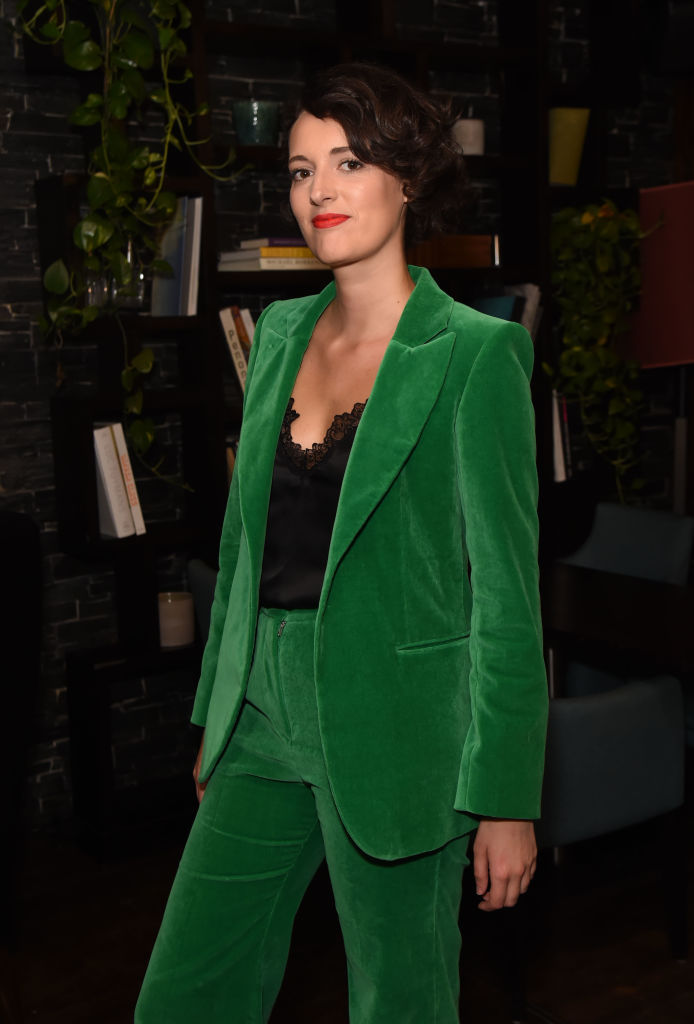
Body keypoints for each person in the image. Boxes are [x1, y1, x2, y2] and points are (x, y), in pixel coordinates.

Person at [135, 62, 548, 1024]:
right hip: (260, 711)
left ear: (408, 177)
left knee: (401, 1002)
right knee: (185, 993)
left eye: (349, 162)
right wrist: (215, 717)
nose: (318, 189)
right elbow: (243, 550)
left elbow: (507, 599)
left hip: (400, 724)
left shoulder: (476, 353)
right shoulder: (277, 333)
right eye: (300, 169)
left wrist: (506, 797)